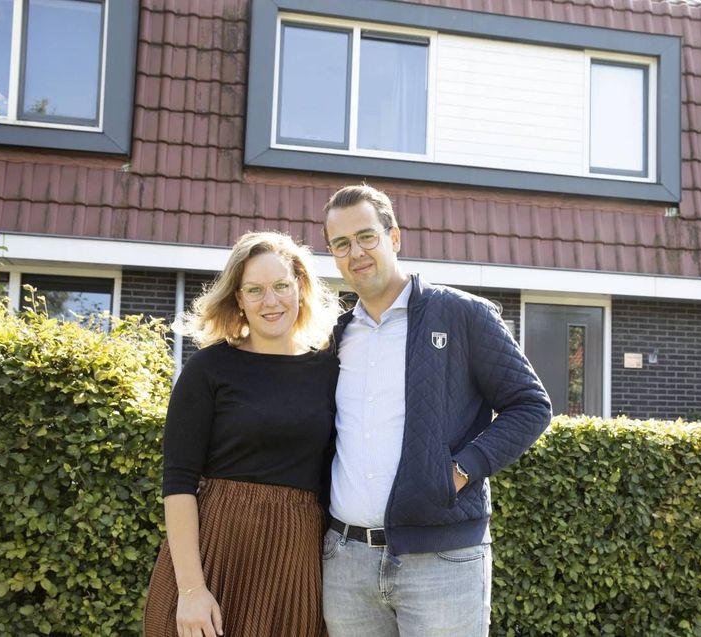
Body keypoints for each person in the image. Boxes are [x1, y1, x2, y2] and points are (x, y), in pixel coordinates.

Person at [320, 184, 552, 636]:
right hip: (346, 562)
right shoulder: (336, 336)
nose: (356, 253)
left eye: (367, 236)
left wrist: (461, 471)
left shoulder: (463, 315)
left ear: (395, 237)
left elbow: (530, 405)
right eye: (341, 244)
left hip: (443, 563)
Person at [143, 231, 340, 637]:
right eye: (255, 290)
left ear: (300, 288)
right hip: (217, 550)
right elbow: (178, 483)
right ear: (238, 299)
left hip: (294, 559)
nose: (271, 301)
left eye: (281, 286)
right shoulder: (208, 369)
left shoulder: (330, 370)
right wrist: (192, 589)